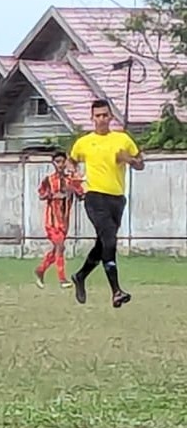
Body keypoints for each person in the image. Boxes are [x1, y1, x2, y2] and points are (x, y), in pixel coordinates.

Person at [68, 98, 143, 307]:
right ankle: (116, 291)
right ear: (92, 118)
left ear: (111, 116)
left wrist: (130, 160)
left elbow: (140, 164)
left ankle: (81, 275)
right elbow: (71, 160)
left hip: (117, 199)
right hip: (94, 197)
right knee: (110, 240)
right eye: (97, 115)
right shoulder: (84, 142)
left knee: (103, 244)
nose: (101, 119)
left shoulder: (122, 139)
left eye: (105, 115)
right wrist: (72, 171)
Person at [34, 151, 83, 289]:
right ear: (53, 164)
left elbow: (81, 195)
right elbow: (41, 195)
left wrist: (75, 189)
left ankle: (40, 270)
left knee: (58, 248)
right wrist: (51, 195)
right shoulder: (48, 180)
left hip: (64, 222)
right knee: (60, 247)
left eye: (62, 161)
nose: (60, 165)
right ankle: (62, 279)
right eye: (57, 162)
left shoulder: (71, 180)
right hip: (52, 221)